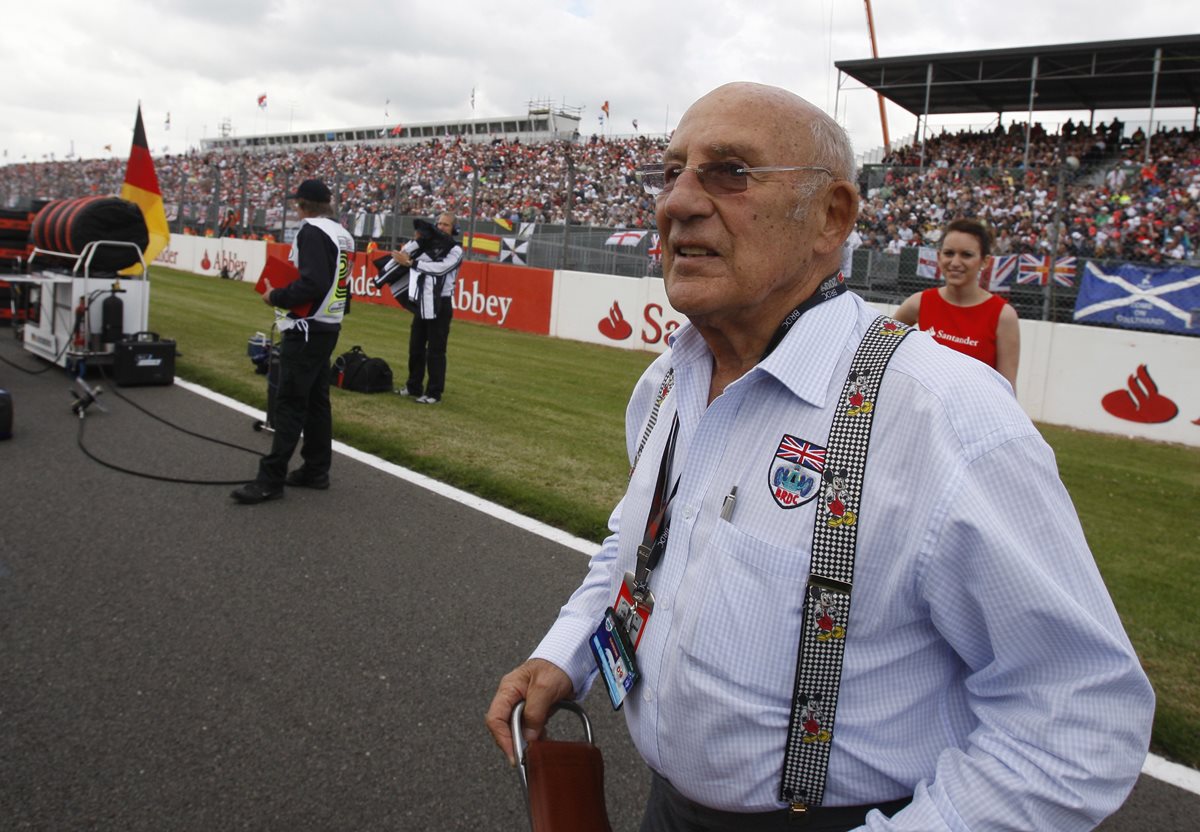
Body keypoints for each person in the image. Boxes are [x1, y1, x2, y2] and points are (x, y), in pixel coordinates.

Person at [485, 83, 1153, 831]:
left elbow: (1079, 712)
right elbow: (637, 548)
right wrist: (565, 653)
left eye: (729, 172)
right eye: (670, 171)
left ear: (831, 217)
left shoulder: (941, 412)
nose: (677, 202)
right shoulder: (667, 381)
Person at [232, 179, 352, 504]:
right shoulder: (343, 233)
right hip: (327, 325)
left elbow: (312, 282)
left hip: (307, 326)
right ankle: (316, 469)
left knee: (290, 402)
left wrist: (277, 296)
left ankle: (270, 479)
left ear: (301, 205)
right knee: (316, 401)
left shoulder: (311, 230)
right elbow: (340, 284)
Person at [892, 218, 1020, 389]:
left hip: (974, 413)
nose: (955, 262)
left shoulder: (1003, 316)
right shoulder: (919, 302)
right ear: (939, 257)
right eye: (949, 253)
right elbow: (881, 349)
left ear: (985, 261)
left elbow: (1007, 389)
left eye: (966, 255)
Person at [393, 212, 463, 404]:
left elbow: (441, 268)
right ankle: (413, 386)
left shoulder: (455, 250)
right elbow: (404, 252)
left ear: (454, 229)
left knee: (436, 350)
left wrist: (413, 263)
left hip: (441, 303)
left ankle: (434, 393)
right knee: (415, 345)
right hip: (423, 300)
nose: (440, 227)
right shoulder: (427, 244)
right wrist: (417, 240)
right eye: (438, 223)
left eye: (446, 225)